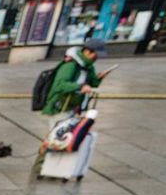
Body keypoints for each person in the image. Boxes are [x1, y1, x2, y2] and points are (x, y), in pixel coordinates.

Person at [30, 37, 108, 183]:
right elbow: (60, 84)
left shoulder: (88, 66)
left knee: (64, 139)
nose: (97, 58)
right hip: (59, 106)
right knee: (55, 138)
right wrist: (79, 87)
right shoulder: (70, 65)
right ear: (88, 51)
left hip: (73, 106)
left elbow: (91, 82)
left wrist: (99, 79)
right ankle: (40, 167)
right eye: (95, 54)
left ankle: (54, 169)